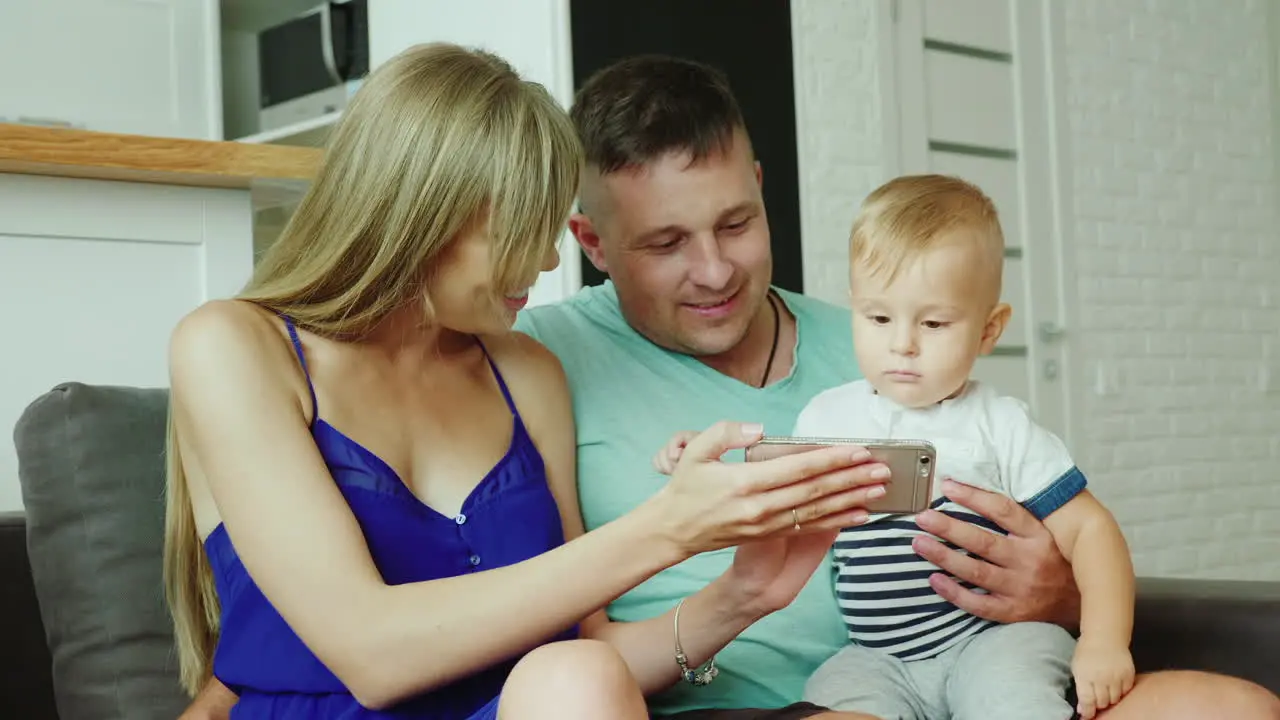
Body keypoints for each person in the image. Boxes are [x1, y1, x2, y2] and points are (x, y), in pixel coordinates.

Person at [512, 54, 1280, 720]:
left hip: (986, 673)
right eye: (666, 242)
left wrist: (1059, 598)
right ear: (592, 243)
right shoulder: (541, 361)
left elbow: (1071, 547)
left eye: (737, 223)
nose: (714, 271)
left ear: (759, 184)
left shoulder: (882, 345)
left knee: (1241, 708)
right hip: (793, 697)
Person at [163, 43, 889, 720]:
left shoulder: (522, 371)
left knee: (576, 675)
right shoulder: (235, 348)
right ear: (426, 218)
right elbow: (371, 656)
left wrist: (743, 593)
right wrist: (672, 528)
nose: (546, 264)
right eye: (524, 230)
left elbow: (593, 654)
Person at [657, 173, 1137, 719]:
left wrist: (1103, 641)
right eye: (879, 317)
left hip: (992, 643)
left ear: (988, 330)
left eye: (933, 322)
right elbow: (767, 487)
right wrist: (707, 457)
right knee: (832, 700)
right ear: (854, 308)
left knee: (1012, 701)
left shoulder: (1000, 424)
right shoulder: (828, 416)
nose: (902, 344)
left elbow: (1093, 530)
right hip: (876, 657)